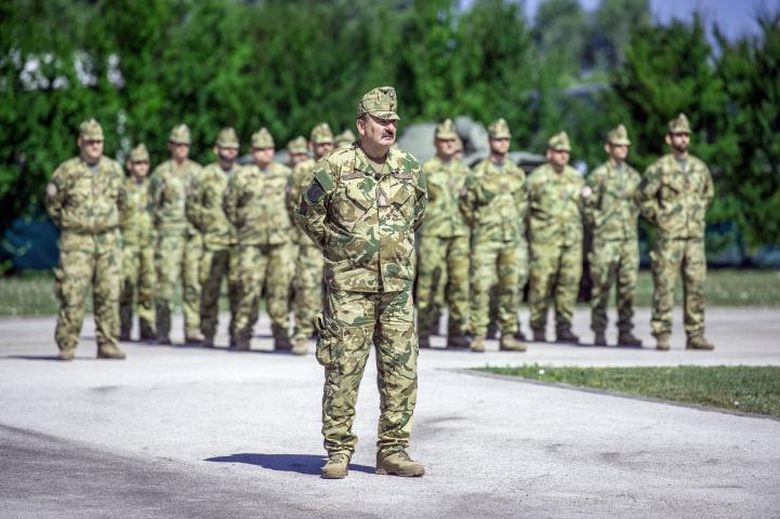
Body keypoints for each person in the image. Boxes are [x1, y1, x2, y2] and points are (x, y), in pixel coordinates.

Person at [296, 86, 427, 479]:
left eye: (393, 121)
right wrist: (341, 249)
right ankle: (338, 451)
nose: (390, 127)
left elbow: (417, 213)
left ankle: (393, 451)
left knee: (402, 373)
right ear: (361, 125)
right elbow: (307, 213)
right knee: (343, 370)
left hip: (397, 290)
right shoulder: (334, 166)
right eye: (382, 120)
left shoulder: (410, 167)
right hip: (350, 290)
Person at [45, 118, 127, 360]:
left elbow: (124, 204)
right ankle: (67, 344)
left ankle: (108, 343)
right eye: (90, 142)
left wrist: (110, 224)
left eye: (99, 141)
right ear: (80, 142)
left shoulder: (114, 170)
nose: (95, 146)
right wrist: (72, 225)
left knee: (109, 293)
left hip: (108, 242)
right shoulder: (66, 171)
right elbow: (53, 205)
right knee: (72, 293)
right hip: (77, 242)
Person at [636, 113, 715, 351]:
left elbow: (708, 194)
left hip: (694, 238)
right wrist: (659, 218)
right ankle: (662, 333)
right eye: (678, 135)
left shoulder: (700, 168)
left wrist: (697, 214)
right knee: (664, 285)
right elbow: (641, 196)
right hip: (669, 238)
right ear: (668, 139)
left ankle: (695, 334)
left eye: (685, 135)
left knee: (696, 286)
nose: (683, 139)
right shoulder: (659, 169)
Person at [460, 118, 528, 353]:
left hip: (511, 239)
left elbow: (522, 205)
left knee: (511, 287)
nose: (503, 143)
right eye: (498, 139)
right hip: (485, 240)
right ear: (490, 142)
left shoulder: (517, 174)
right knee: (481, 286)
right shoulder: (477, 173)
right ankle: (478, 335)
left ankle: (507, 335)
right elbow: (466, 205)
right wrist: (481, 224)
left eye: (506, 139)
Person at [225, 128, 294, 351]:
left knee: (280, 289)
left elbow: (294, 204)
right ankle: (242, 334)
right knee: (248, 288)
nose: (265, 153)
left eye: (268, 149)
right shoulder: (241, 175)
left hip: (279, 241)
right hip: (251, 242)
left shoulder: (285, 174)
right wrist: (244, 225)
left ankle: (281, 334)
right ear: (252, 151)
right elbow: (229, 205)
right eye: (260, 149)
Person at [583, 125, 643, 347]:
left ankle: (625, 331)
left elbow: (640, 204)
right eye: (618, 146)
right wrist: (599, 222)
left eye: (625, 146)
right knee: (601, 287)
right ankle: (599, 332)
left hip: (628, 240)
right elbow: (587, 206)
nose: (623, 149)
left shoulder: (634, 176)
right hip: (606, 241)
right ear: (608, 148)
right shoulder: (598, 176)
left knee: (628, 287)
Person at [416, 118, 471, 349]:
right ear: (435, 143)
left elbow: (471, 203)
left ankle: (457, 331)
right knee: (429, 283)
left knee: (460, 283)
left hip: (459, 233)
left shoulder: (464, 171)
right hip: (433, 234)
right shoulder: (425, 169)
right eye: (443, 140)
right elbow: (415, 203)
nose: (448, 144)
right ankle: (423, 330)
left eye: (451, 140)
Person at [148, 124, 204, 344]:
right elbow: (151, 205)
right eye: (177, 144)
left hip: (192, 234)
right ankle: (163, 330)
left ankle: (192, 329)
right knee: (166, 284)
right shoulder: (161, 173)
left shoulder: (198, 172)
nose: (182, 148)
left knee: (193, 283)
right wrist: (157, 232)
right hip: (169, 235)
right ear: (170, 146)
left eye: (185, 145)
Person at [527, 131, 584, 344]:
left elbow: (585, 209)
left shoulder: (576, 178)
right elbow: (524, 209)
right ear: (549, 153)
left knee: (569, 284)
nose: (563, 155)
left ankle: (564, 327)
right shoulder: (536, 179)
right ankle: (538, 327)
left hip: (571, 241)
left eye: (566, 152)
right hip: (545, 242)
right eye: (559, 151)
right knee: (541, 285)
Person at [186, 127, 240, 348]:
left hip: (237, 242)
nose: (230, 152)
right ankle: (208, 332)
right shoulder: (205, 175)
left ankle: (237, 334)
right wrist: (206, 223)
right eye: (226, 148)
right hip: (212, 242)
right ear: (217, 149)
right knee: (209, 290)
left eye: (234, 148)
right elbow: (191, 206)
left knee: (238, 290)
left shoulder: (243, 174)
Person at [287, 123, 334, 355]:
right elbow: (292, 203)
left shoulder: (339, 166)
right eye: (320, 144)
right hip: (309, 240)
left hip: (335, 239)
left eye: (328, 143)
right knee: (307, 287)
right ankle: (301, 334)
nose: (324, 147)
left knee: (334, 289)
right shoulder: (302, 170)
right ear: (311, 145)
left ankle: (331, 336)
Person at [119, 143, 156, 342]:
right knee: (126, 287)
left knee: (148, 287)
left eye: (145, 163)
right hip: (128, 244)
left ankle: (147, 325)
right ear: (129, 165)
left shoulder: (154, 186)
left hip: (149, 244)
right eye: (138, 163)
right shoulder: (122, 188)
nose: (142, 167)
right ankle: (124, 327)